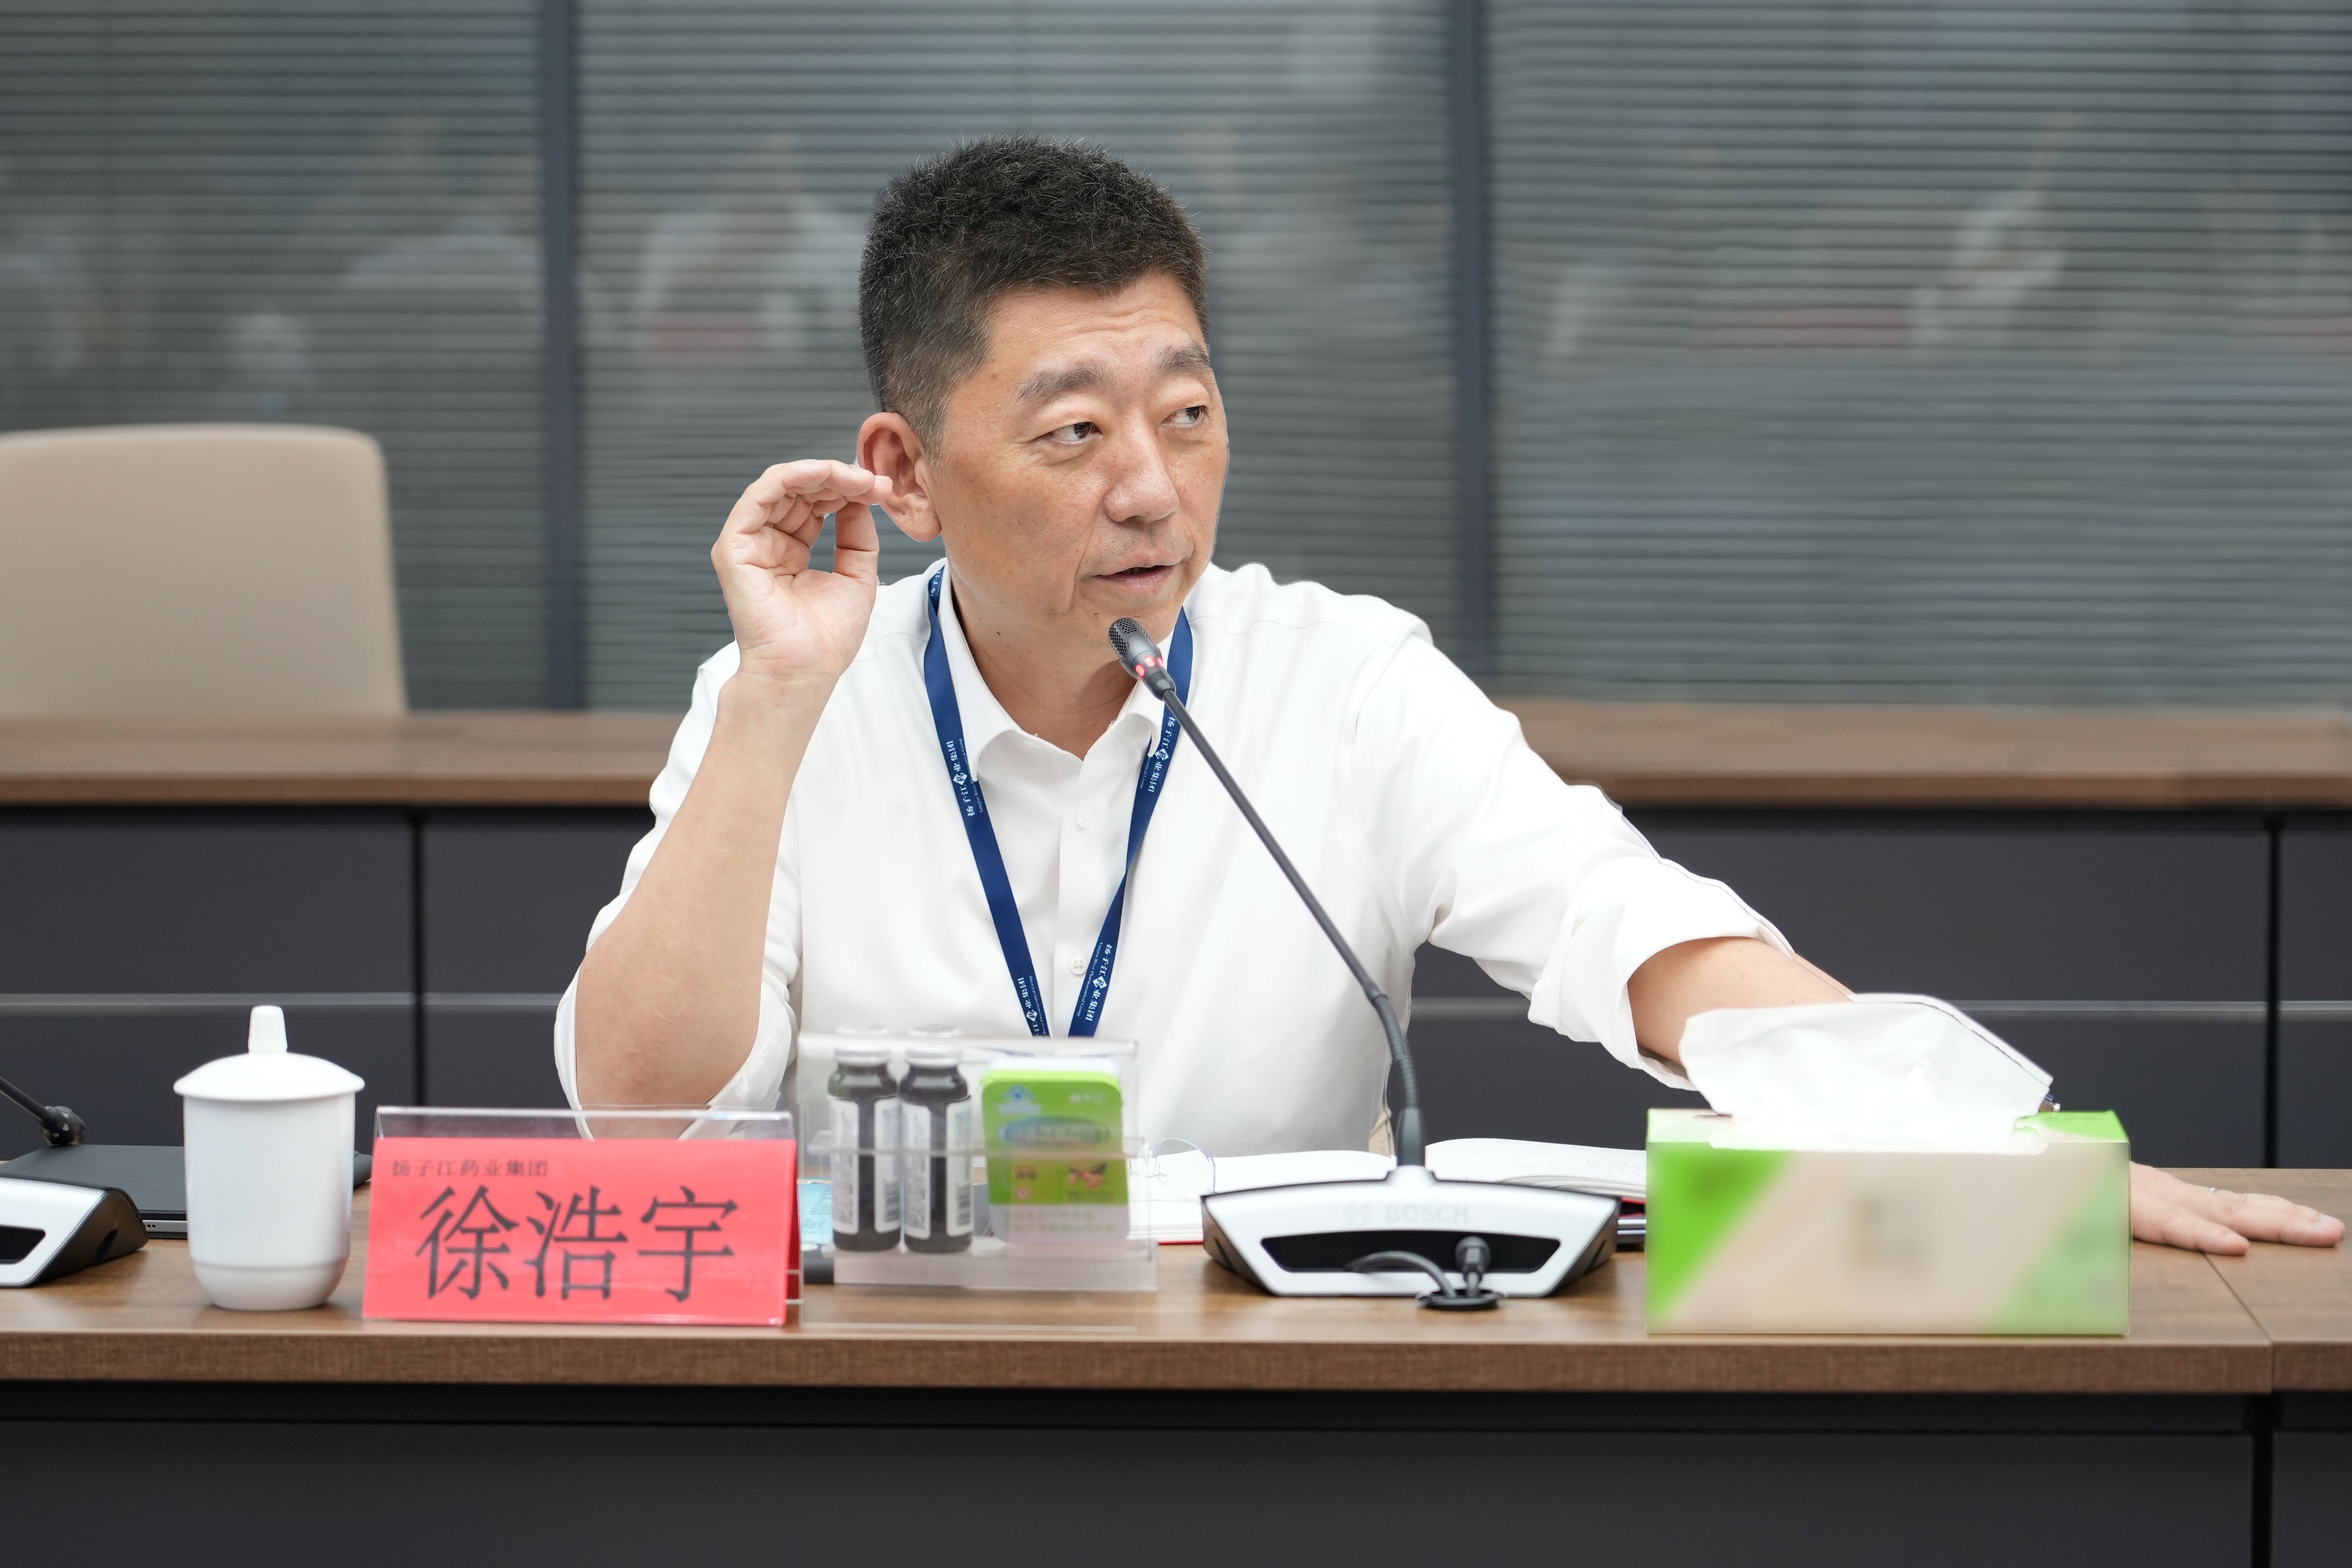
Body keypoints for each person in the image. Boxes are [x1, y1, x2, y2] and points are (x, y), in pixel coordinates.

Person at [561, 136, 2339, 1258]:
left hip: (1266, 1390)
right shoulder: (788, 697)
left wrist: (1989, 1148)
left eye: (1186, 416)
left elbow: (1635, 936)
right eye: (1074, 431)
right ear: (904, 469)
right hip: (895, 1385)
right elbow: (631, 1119)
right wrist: (776, 704)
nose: (1152, 491)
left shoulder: (1338, 680)